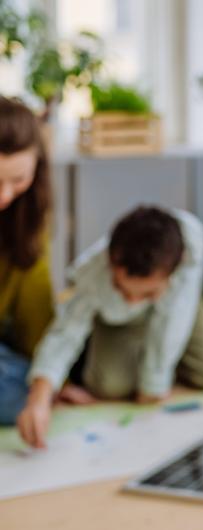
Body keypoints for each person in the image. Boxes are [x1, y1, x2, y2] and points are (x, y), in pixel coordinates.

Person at [17, 206, 203, 448]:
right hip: (119, 323)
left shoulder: (190, 247)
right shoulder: (92, 273)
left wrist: (153, 384)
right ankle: (140, 355)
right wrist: (39, 399)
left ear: (171, 273)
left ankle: (163, 361)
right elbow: (64, 334)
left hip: (182, 311)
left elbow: (172, 323)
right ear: (112, 265)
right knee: (108, 386)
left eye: (148, 292)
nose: (133, 300)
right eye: (123, 290)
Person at [0, 96, 55, 426]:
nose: (4, 196)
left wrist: (45, 382)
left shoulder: (29, 214)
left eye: (18, 180)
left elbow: (36, 305)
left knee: (26, 389)